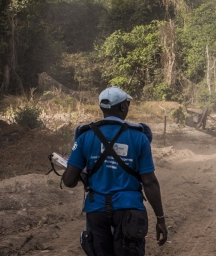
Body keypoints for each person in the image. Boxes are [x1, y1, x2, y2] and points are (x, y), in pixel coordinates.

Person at [62, 86, 168, 255]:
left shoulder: (84, 137)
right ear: (123, 107)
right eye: (127, 104)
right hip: (129, 210)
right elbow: (149, 182)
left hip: (96, 211)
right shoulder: (139, 137)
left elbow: (68, 181)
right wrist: (160, 219)